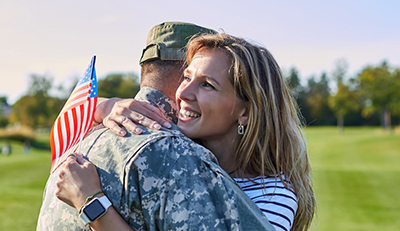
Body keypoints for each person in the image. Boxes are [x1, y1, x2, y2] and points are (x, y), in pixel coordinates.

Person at [57, 32, 316, 230]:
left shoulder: (272, 195)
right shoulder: (175, 148)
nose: (184, 93)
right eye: (187, 77)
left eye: (207, 85)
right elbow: (75, 110)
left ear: (246, 112)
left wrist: (91, 203)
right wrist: (109, 106)